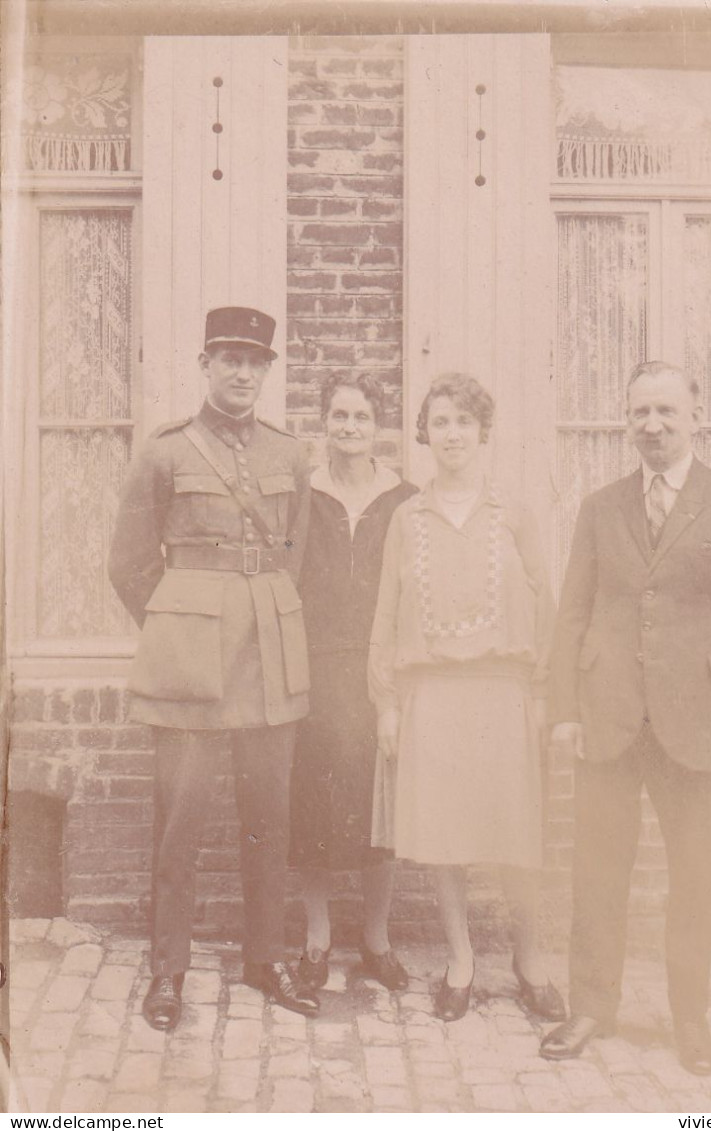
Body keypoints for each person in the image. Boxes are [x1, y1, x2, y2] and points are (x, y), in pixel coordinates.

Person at [541, 360, 711, 1074]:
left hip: (695, 720)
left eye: (666, 413)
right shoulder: (599, 505)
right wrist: (562, 709)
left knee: (693, 876)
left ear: (694, 419)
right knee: (596, 871)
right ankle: (590, 1005)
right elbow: (572, 611)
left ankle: (689, 1020)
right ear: (627, 420)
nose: (652, 426)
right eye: (639, 413)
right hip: (608, 716)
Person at [109, 306, 319, 1030]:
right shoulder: (165, 452)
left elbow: (298, 555)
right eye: (228, 356)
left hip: (268, 653)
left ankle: (265, 958)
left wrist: (255, 609)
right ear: (205, 363)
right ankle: (167, 969)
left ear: (266, 370)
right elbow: (129, 563)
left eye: (254, 360)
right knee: (181, 820)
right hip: (190, 661)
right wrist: (177, 627)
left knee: (269, 817)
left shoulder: (290, 454)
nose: (241, 371)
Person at [368, 373, 565, 1023]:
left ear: (483, 431)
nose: (451, 433)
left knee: (516, 838)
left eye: (463, 421)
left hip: (503, 695)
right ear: (427, 433)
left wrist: (541, 693)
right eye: (440, 421)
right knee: (443, 838)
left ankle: (530, 960)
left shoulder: (513, 513)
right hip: (433, 696)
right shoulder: (406, 518)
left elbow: (545, 607)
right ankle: (461, 961)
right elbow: (385, 615)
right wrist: (388, 703)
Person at [288, 373, 417, 990]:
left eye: (361, 417)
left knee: (379, 807)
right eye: (338, 415)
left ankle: (376, 938)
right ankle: (317, 938)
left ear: (378, 427)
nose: (349, 428)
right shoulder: (302, 496)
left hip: (379, 671)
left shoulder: (403, 501)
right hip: (314, 668)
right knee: (312, 802)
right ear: (323, 423)